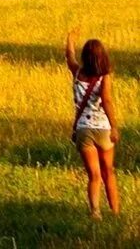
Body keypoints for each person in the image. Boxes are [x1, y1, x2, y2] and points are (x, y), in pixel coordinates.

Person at [65, 27, 120, 219]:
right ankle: (115, 211)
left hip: (83, 130)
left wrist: (70, 39)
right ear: (102, 56)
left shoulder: (78, 72)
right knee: (109, 173)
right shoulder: (105, 77)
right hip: (103, 129)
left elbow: (69, 57)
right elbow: (106, 101)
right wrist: (114, 126)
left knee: (94, 175)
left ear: (85, 57)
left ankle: (95, 211)